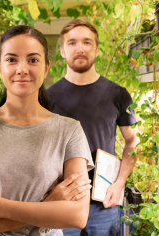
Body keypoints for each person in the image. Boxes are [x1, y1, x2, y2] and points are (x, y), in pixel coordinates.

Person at [0, 25, 95, 236]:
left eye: (33, 60)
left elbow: (76, 216)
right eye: (11, 59)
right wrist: (49, 205)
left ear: (46, 67)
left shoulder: (69, 130)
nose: (22, 69)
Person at [46, 19, 140, 236]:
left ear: (97, 50)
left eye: (87, 42)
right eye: (72, 43)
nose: (80, 48)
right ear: (62, 50)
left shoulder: (119, 95)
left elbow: (132, 141)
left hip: (103, 199)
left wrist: (119, 183)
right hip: (62, 201)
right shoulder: (48, 98)